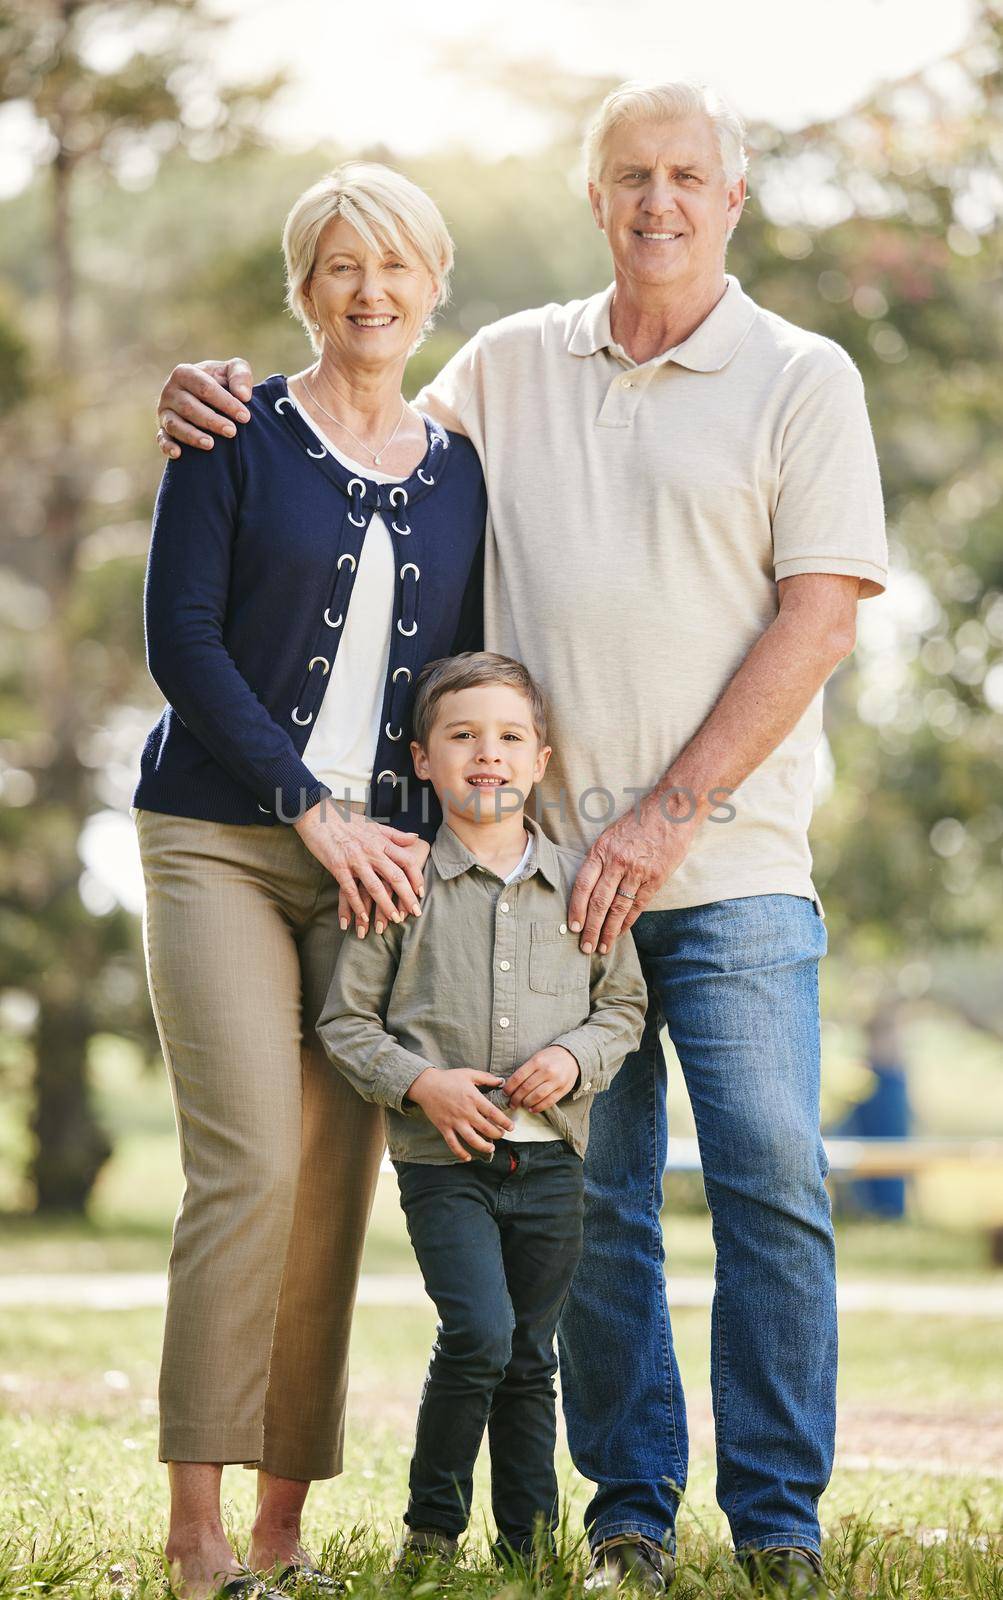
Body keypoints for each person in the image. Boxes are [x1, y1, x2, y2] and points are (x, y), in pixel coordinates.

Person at [154, 78, 888, 1598]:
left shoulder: (800, 374)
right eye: (629, 175)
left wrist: (665, 814)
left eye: (687, 175)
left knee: (764, 1179)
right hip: (541, 882)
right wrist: (208, 393)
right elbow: (342, 419)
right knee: (592, 1200)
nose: (657, 202)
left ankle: (775, 1528)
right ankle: (627, 1513)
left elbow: (819, 612)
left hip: (728, 863)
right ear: (594, 196)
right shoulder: (505, 368)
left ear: (729, 199)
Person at [134, 162, 486, 1600]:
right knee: (251, 1168)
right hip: (221, 835)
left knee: (335, 1186)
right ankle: (193, 1536)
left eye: (395, 266)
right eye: (340, 265)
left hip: (379, 865)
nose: (369, 292)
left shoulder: (461, 464)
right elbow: (184, 645)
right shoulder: (229, 434)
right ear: (302, 286)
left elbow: (460, 663)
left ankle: (282, 1538)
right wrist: (306, 808)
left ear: (433, 285)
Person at [316, 653, 647, 1570]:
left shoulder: (584, 890)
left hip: (550, 1166)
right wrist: (421, 1083)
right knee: (477, 1334)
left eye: (508, 738)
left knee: (530, 1357)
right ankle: (430, 1533)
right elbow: (344, 1022)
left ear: (541, 758)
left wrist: (568, 1057)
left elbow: (621, 1009)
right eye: (462, 737)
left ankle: (529, 1549)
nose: (486, 755)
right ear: (423, 760)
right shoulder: (399, 884)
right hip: (441, 1164)